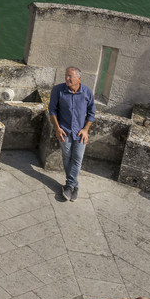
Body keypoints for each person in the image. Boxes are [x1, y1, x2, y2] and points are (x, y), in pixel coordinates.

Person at [49, 66, 94, 201]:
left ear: (79, 78)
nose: (67, 78)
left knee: (77, 158)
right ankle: (74, 186)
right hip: (64, 130)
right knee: (67, 157)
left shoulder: (87, 92)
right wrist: (57, 128)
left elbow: (92, 114)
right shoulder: (58, 90)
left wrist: (85, 130)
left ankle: (70, 185)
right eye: (66, 76)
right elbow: (52, 110)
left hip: (80, 132)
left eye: (70, 76)